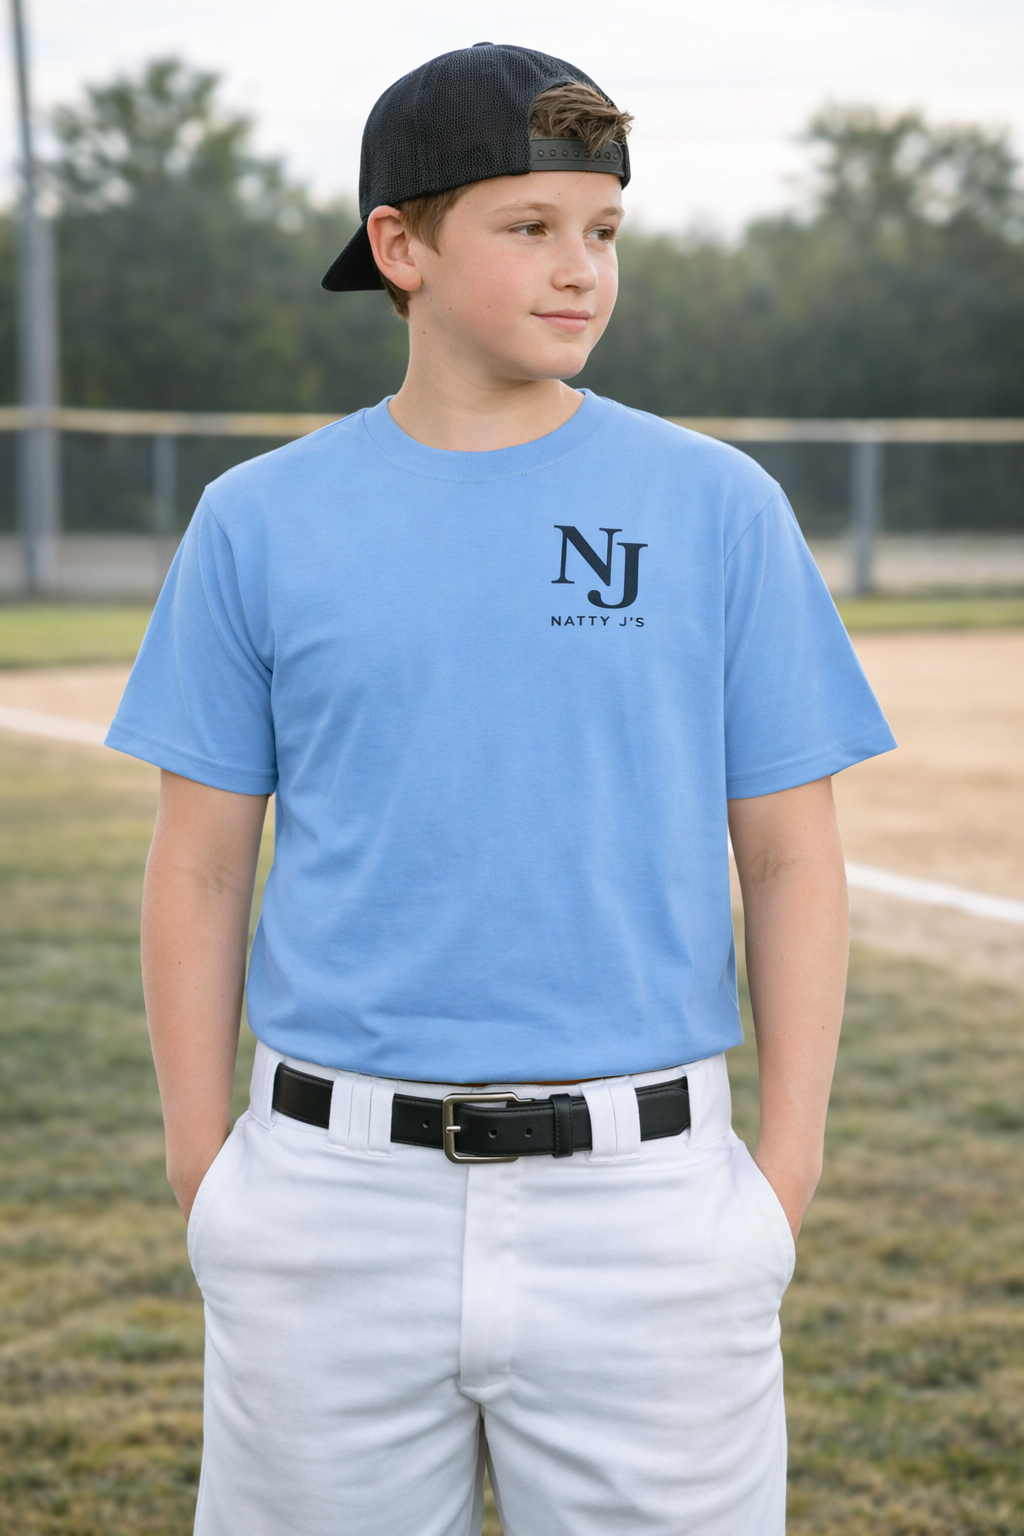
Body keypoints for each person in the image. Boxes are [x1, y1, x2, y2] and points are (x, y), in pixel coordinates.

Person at [107, 42, 896, 1536]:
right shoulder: (257, 521)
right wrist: (209, 1174)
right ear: (400, 248)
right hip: (326, 1206)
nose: (578, 269)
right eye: (528, 227)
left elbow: (792, 858)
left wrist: (777, 1180)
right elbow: (202, 867)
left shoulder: (716, 504)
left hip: (652, 1214)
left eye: (602, 231)